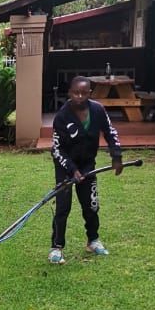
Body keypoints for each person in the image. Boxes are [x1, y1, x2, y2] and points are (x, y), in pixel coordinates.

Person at [49, 75, 124, 263]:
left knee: (91, 205)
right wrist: (72, 169)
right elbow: (57, 149)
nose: (79, 97)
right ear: (70, 93)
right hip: (66, 167)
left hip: (88, 165)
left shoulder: (97, 110)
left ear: (89, 93)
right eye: (76, 93)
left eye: (84, 93)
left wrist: (117, 156)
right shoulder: (62, 116)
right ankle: (56, 247)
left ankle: (93, 240)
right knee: (63, 207)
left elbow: (110, 132)